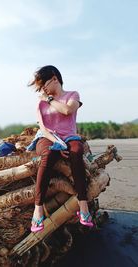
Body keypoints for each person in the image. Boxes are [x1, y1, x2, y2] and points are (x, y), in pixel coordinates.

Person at [28, 65, 94, 233]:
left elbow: (67, 110)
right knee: (48, 154)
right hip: (48, 138)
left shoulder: (72, 95)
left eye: (44, 84)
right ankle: (38, 207)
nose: (42, 89)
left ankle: (83, 205)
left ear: (54, 79)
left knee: (76, 152)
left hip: (70, 137)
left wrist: (49, 100)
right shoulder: (40, 103)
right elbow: (43, 129)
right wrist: (57, 143)